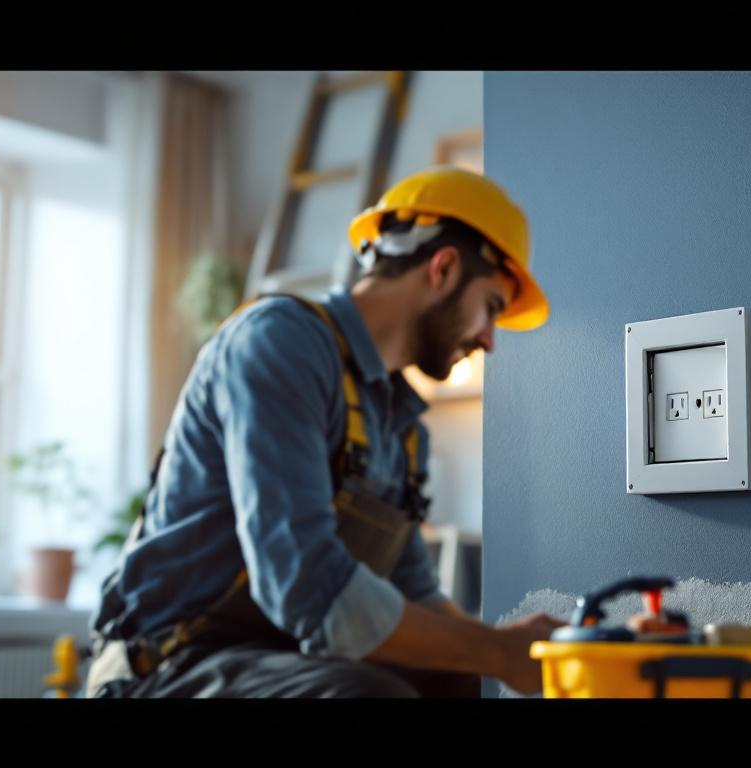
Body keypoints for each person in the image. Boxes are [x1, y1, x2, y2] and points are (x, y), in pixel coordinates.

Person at [85, 167, 566, 698]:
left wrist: (512, 649)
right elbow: (305, 588)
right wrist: (498, 652)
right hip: (166, 667)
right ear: (444, 269)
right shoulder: (280, 344)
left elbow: (415, 597)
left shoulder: (402, 430)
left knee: (460, 679)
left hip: (275, 663)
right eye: (491, 308)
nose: (490, 341)